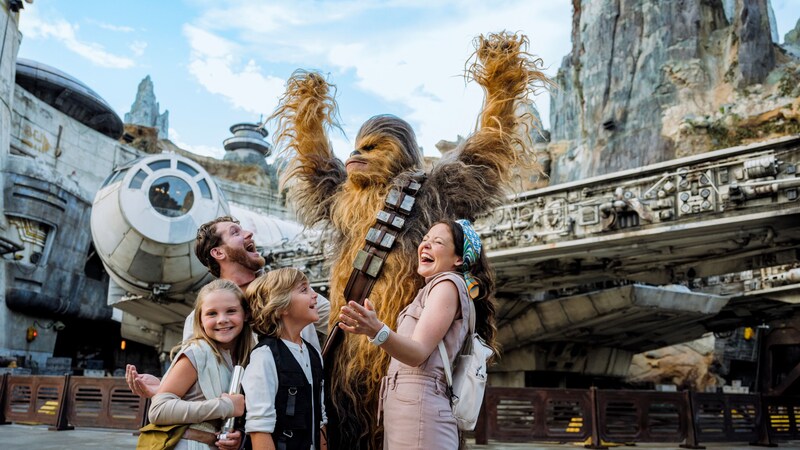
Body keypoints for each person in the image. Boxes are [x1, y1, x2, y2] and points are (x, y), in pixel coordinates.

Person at [269, 31, 548, 448]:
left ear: (400, 153)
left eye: (372, 147)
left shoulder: (430, 190)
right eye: (356, 146)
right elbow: (314, 164)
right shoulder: (345, 197)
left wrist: (500, 85)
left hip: (403, 366)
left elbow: (486, 152)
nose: (356, 154)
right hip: (348, 361)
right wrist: (309, 111)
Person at [126, 216, 331, 449]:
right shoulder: (199, 319)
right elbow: (208, 380)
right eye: (235, 232)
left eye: (231, 312)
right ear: (218, 253)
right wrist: (167, 387)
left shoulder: (285, 290)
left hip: (306, 424)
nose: (248, 234)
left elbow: (342, 319)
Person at [338, 219, 497, 449]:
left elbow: (417, 352)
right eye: (425, 240)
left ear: (459, 259)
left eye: (438, 242)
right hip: (412, 408)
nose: (426, 245)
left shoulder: (446, 285)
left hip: (419, 409)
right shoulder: (435, 287)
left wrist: (376, 330)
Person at [147, 279, 252, 449]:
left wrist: (236, 437)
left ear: (245, 314)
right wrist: (225, 406)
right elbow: (158, 410)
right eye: (212, 314)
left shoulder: (244, 357)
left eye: (231, 311)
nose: (222, 320)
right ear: (200, 320)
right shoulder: (198, 352)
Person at [242, 268, 328, 450]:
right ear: (281, 306)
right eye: (304, 290)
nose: (315, 296)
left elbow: (320, 419)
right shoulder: (264, 356)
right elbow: (259, 430)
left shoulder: (313, 353)